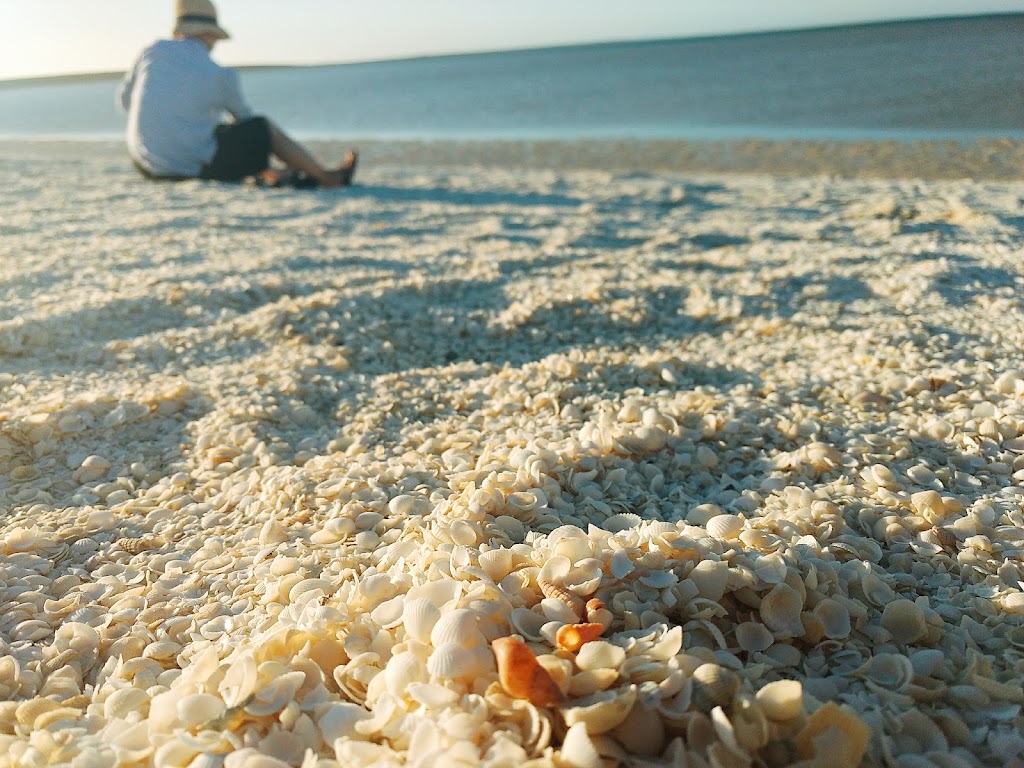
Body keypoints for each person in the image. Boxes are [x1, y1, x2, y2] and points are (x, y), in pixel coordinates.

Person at [118, 0, 356, 188]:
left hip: (146, 165)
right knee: (262, 128)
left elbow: (125, 102)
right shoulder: (221, 75)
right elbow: (246, 122)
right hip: (186, 170)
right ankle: (327, 178)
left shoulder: (153, 51)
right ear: (211, 34)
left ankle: (278, 172)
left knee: (211, 133)